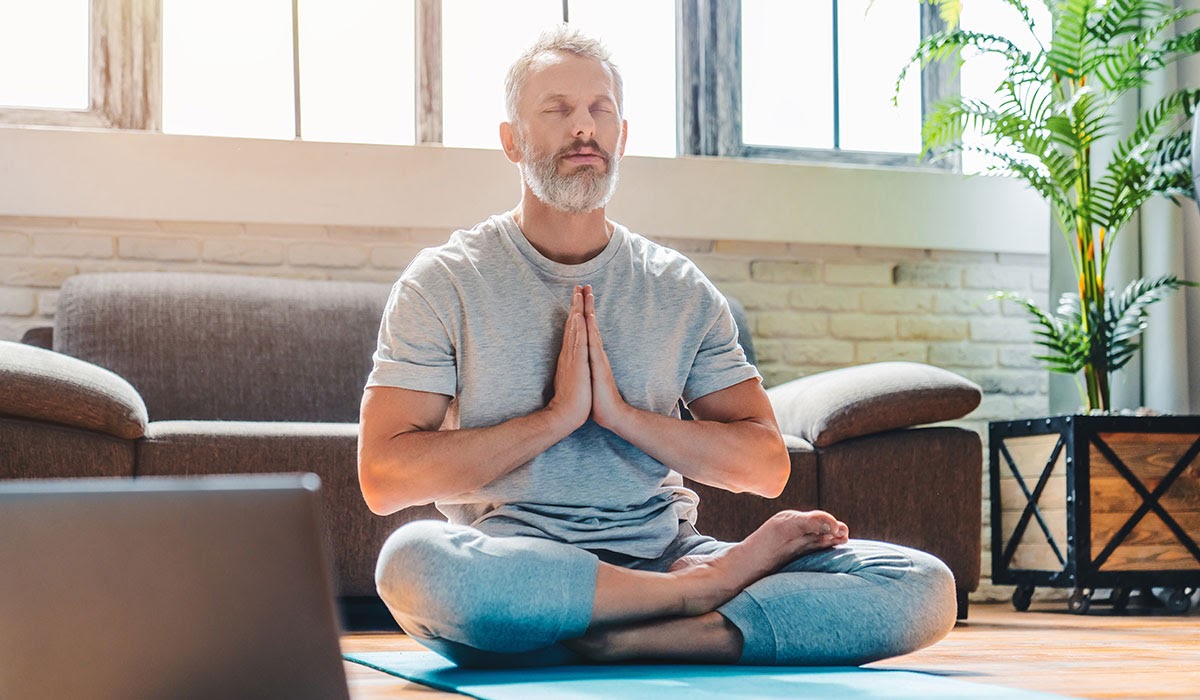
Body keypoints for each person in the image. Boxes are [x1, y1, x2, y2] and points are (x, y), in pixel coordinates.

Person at [358, 25, 957, 668]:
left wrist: (621, 416)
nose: (583, 128)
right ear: (512, 140)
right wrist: (556, 419)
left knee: (920, 585)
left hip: (664, 550)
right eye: (557, 110)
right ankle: (693, 604)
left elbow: (766, 465)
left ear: (622, 135)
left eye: (600, 110)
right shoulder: (444, 281)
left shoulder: (676, 288)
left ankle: (630, 630)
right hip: (518, 561)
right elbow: (384, 478)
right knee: (412, 561)